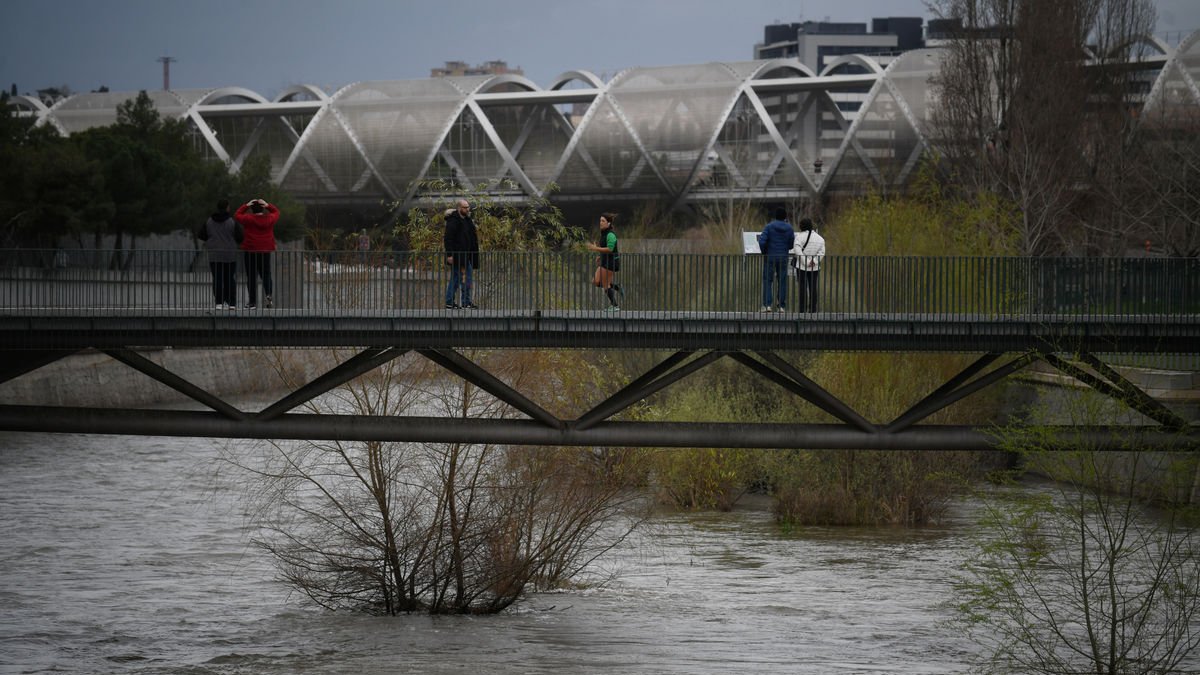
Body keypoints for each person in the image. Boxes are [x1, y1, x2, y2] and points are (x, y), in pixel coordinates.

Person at [196, 199, 243, 309]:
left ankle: (219, 302)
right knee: (229, 279)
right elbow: (240, 237)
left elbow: (201, 235)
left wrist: (211, 241)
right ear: (227, 207)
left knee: (217, 278)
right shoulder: (232, 222)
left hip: (214, 255)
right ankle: (231, 303)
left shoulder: (209, 221)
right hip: (230, 255)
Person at [235, 198, 280, 309]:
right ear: (262, 209)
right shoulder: (269, 219)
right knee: (266, 274)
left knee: (251, 277)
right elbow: (277, 212)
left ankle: (252, 302)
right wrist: (268, 205)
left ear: (252, 209)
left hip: (250, 251)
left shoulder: (248, 219)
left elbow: (237, 214)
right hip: (265, 251)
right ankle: (268, 294)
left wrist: (246, 205)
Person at [443, 199, 479, 309]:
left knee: (464, 279)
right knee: (458, 278)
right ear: (459, 208)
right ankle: (453, 302)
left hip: (466, 256)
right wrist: (449, 255)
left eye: (468, 207)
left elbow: (471, 238)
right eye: (465, 207)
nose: (467, 209)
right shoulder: (453, 221)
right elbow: (448, 239)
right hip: (457, 256)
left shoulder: (467, 220)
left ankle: (464, 302)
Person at [757, 207, 795, 312]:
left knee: (768, 280)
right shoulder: (789, 228)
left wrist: (764, 252)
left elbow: (761, 242)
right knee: (782, 281)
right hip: (783, 257)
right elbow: (791, 243)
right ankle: (781, 306)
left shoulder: (769, 227)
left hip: (770, 257)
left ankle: (767, 305)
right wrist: (786, 248)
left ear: (775, 216)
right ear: (785, 217)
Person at [586, 212, 623, 312]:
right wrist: (599, 256)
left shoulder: (610, 234)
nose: (600, 223)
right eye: (600, 221)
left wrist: (595, 248)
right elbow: (604, 248)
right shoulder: (603, 234)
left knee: (605, 284)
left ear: (609, 223)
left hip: (611, 262)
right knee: (596, 281)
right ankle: (616, 287)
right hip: (605, 261)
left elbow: (610, 249)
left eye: (603, 221)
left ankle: (615, 306)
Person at [792, 217, 826, 313]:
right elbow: (822, 252)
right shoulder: (820, 238)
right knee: (813, 287)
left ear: (801, 226)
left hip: (801, 266)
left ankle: (802, 310)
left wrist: (806, 262)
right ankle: (813, 309)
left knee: (802, 288)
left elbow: (797, 250)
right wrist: (814, 261)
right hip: (814, 267)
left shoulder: (799, 237)